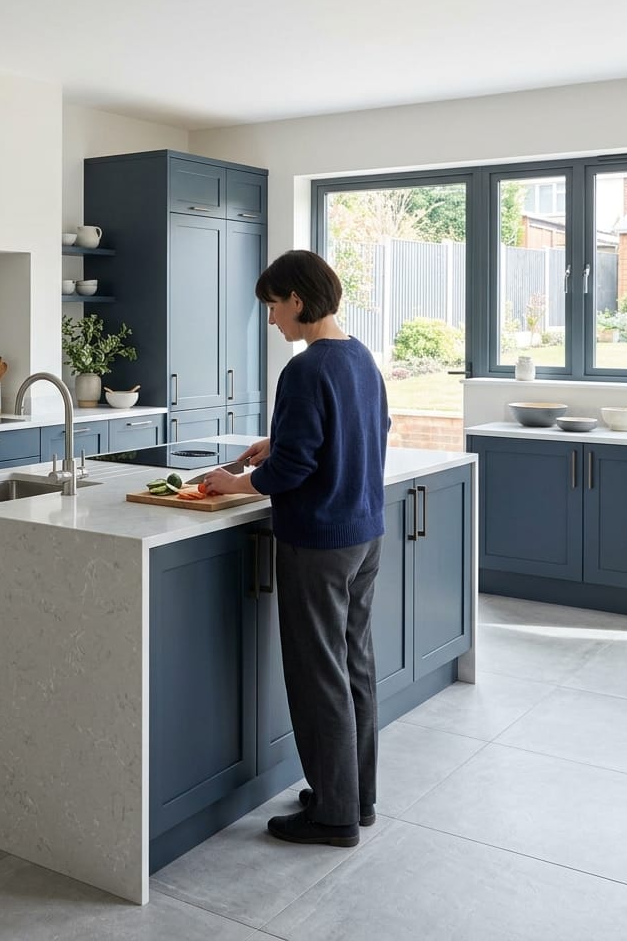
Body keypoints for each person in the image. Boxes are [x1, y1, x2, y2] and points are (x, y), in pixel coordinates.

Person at [203, 249, 389, 848]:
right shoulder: (360, 358)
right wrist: (276, 439)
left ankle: (332, 817)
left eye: (273, 306)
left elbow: (299, 465)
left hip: (318, 540)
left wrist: (239, 481)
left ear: (298, 302)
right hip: (363, 534)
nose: (271, 319)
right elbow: (358, 432)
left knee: (317, 676)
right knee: (353, 664)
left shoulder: (306, 370)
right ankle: (353, 797)